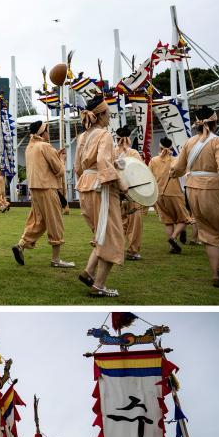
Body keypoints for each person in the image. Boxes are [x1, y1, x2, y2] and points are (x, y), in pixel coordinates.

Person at [170, 106, 219, 287]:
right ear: (215, 122)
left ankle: (216, 275)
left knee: (209, 233)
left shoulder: (189, 143)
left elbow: (177, 169)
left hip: (192, 190)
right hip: (214, 190)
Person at [74, 94, 128, 297]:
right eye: (108, 113)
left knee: (101, 233)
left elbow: (78, 167)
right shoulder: (104, 135)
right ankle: (99, 286)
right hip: (100, 187)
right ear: (101, 114)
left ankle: (89, 271)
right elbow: (104, 162)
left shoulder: (83, 136)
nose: (110, 116)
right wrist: (122, 184)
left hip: (86, 186)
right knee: (112, 237)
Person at [12, 121, 74, 269]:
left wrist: (56, 156)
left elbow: (44, 165)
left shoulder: (30, 147)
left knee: (39, 221)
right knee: (55, 221)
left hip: (34, 189)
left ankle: (21, 245)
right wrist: (62, 159)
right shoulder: (45, 146)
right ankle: (56, 259)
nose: (48, 134)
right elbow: (59, 170)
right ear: (43, 133)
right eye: (47, 131)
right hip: (47, 188)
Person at [149, 137, 189, 253]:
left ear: (160, 147)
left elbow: (149, 175)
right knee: (184, 219)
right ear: (171, 147)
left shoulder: (153, 160)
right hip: (174, 193)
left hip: (159, 194)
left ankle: (172, 247)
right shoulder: (175, 160)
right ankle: (173, 238)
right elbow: (184, 174)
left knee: (168, 221)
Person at [115, 127, 144, 260]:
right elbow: (141, 171)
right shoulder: (133, 153)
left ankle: (116, 248)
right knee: (134, 223)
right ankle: (132, 251)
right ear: (129, 139)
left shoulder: (111, 152)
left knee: (118, 222)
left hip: (116, 192)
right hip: (132, 191)